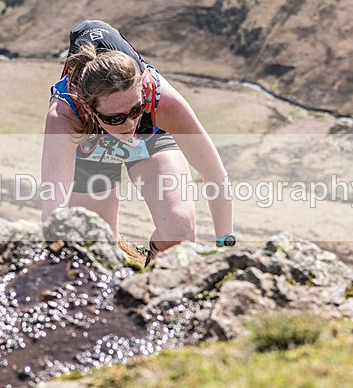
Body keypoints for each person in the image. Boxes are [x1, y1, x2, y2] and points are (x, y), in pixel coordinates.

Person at [40, 20, 235, 262]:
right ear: (90, 110)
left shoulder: (162, 100)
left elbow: (215, 174)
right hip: (91, 144)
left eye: (135, 110)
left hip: (151, 135)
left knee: (179, 230)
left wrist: (225, 246)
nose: (129, 124)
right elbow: (53, 208)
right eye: (116, 118)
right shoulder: (65, 116)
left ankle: (154, 272)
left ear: (142, 90)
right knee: (93, 251)